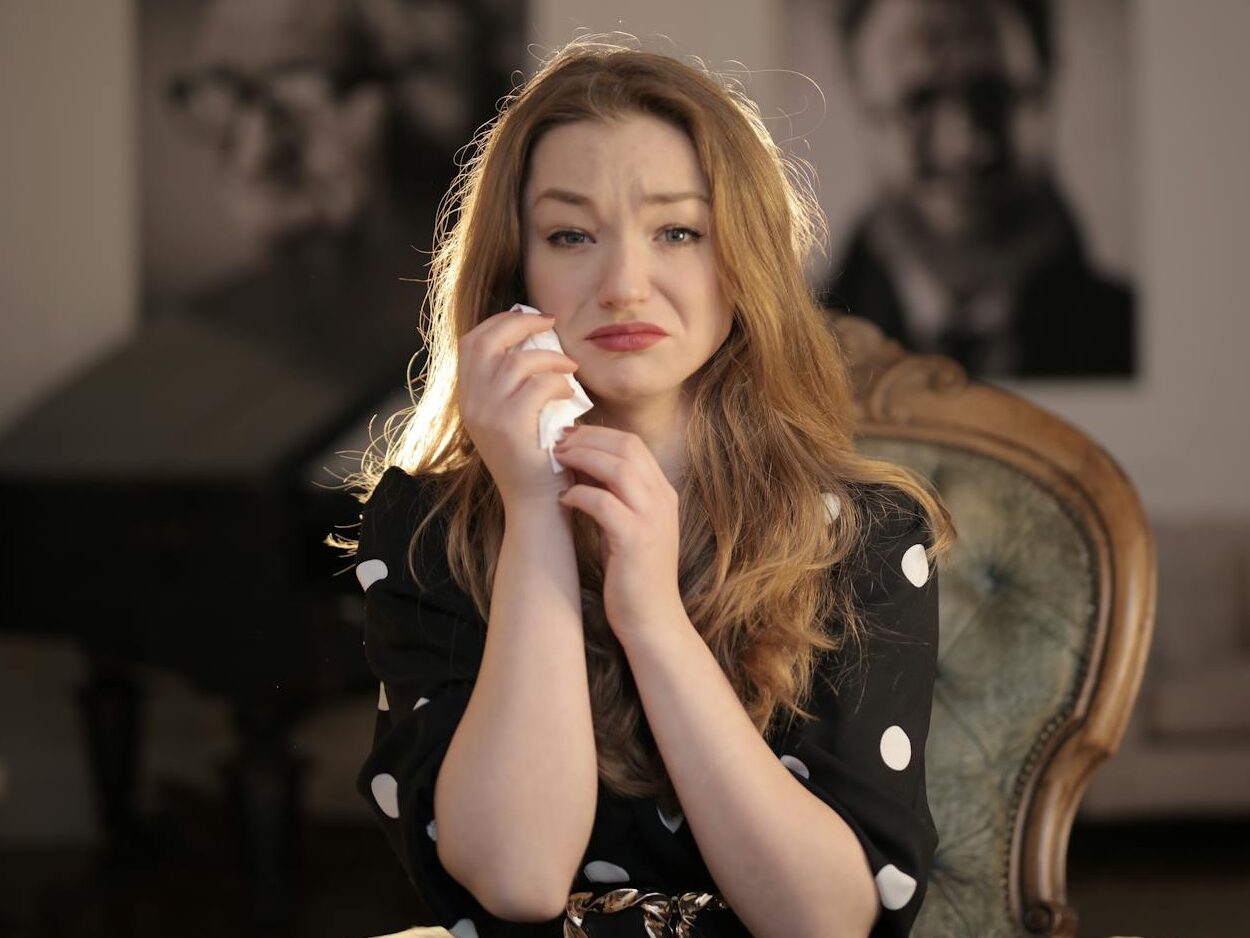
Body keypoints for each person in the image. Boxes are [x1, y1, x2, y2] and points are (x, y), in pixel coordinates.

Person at [334, 38, 955, 938]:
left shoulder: (861, 534)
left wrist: (652, 616)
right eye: (571, 235)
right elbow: (517, 880)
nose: (625, 285)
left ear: (741, 260)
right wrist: (536, 508)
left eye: (677, 231)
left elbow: (824, 921)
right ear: (516, 274)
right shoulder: (428, 531)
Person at [823, 0, 1136, 378]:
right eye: (919, 101)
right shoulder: (798, 345)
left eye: (993, 94)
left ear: (1047, 89)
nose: (964, 146)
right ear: (861, 106)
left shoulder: (1126, 335)